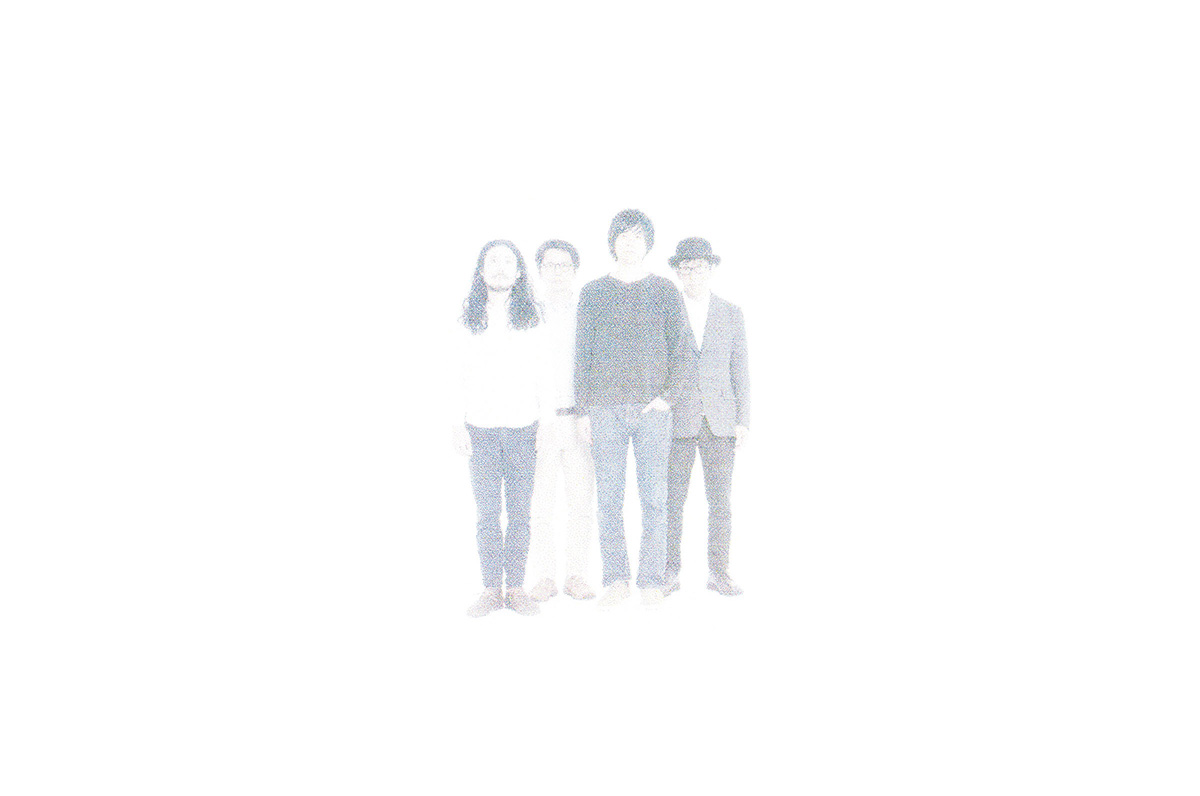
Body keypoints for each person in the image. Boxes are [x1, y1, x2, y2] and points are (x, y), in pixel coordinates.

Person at [575, 209, 691, 607]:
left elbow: (683, 351)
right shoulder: (593, 292)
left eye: (638, 236)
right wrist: (583, 410)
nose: (630, 243)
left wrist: (667, 398)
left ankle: (650, 581)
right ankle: (616, 580)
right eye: (623, 236)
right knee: (609, 498)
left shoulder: (665, 291)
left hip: (652, 413)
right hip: (604, 411)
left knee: (655, 499)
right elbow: (582, 354)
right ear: (612, 242)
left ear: (648, 244)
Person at [453, 240, 552, 617]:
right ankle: (491, 589)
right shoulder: (467, 316)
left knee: (521, 513)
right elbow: (455, 372)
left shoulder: (533, 315)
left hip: (524, 426)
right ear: (481, 270)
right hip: (480, 428)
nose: (499, 267)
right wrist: (456, 422)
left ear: (519, 271)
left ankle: (517, 588)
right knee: (487, 514)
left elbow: (544, 371)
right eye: (492, 260)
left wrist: (546, 421)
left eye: (507, 261)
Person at [664, 237, 750, 597]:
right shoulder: (667, 310)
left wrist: (743, 420)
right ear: (677, 272)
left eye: (699, 266)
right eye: (685, 268)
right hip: (677, 420)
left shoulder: (731, 312)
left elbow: (740, 369)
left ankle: (719, 572)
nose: (692, 274)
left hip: (720, 421)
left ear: (711, 269)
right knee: (671, 502)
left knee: (720, 502)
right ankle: (668, 572)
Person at [526, 240, 597, 602]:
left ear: (575, 270)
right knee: (540, 504)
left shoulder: (588, 311)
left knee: (581, 502)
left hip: (579, 420)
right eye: (550, 265)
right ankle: (543, 577)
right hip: (539, 422)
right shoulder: (526, 313)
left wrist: (591, 413)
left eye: (564, 265)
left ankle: (576, 574)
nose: (557, 272)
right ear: (539, 270)